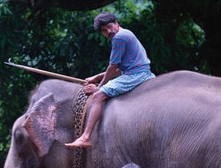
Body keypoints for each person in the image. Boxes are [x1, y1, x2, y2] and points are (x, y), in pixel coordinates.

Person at [66, 12, 155, 148]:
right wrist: (96, 77)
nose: (108, 31)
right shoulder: (125, 34)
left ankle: (85, 137)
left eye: (109, 27)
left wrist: (100, 88)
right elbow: (119, 69)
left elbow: (113, 67)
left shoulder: (119, 38)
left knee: (98, 97)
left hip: (136, 75)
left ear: (116, 23)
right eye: (104, 30)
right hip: (139, 72)